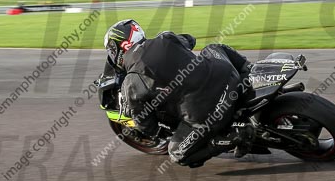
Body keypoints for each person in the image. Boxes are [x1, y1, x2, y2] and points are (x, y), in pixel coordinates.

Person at [103, 19, 255, 168]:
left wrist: (158, 133)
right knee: (213, 47)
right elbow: (190, 40)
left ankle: (235, 136)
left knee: (177, 153)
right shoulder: (165, 38)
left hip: (212, 112)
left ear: (119, 48)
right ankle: (250, 70)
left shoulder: (131, 82)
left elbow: (144, 123)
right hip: (227, 76)